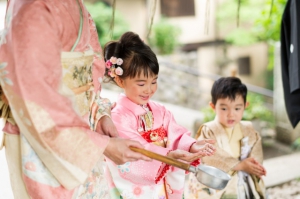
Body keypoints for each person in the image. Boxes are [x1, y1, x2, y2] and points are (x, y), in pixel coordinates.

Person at [0, 1, 151, 198]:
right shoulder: (33, 5)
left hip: (81, 131)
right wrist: (100, 145)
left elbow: (89, 77)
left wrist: (98, 116)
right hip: (46, 138)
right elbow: (34, 91)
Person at [101, 31, 216, 199]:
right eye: (141, 83)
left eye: (154, 81)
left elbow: (175, 134)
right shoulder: (118, 116)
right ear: (120, 81)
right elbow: (135, 148)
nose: (149, 89)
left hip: (160, 184)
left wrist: (192, 146)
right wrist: (167, 156)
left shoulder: (159, 110)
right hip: (137, 189)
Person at [185, 77, 267, 199]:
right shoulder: (209, 129)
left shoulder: (248, 128)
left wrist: (255, 166)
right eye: (224, 108)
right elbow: (210, 156)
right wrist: (240, 165)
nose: (231, 114)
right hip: (217, 183)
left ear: (245, 106)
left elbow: (256, 151)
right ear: (213, 106)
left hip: (242, 179)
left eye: (237, 108)